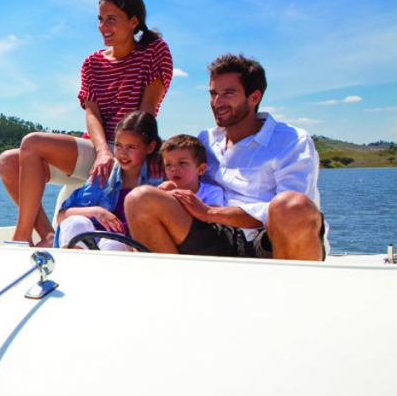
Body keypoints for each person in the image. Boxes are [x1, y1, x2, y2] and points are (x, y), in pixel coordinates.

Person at [0, 0, 173, 246]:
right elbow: (91, 113)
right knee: (8, 162)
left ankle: (20, 240)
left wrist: (124, 151)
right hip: (97, 148)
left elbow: (146, 112)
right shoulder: (92, 63)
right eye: (100, 19)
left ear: (133, 22)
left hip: (129, 147)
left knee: (32, 142)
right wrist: (102, 151)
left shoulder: (154, 51)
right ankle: (44, 235)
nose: (103, 26)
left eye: (111, 18)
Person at [125, 54, 325, 261]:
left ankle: (291, 289)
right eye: (213, 94)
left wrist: (211, 213)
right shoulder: (206, 139)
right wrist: (173, 191)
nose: (217, 102)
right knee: (140, 199)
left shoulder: (292, 141)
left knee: (292, 205)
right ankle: (175, 289)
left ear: (254, 97)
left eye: (228, 93)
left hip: (268, 240)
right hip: (217, 236)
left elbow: (292, 213)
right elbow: (195, 187)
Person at [55, 111, 163, 250]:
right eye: (118, 145)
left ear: (150, 147)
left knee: (112, 244)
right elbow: (62, 216)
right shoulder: (104, 173)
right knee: (75, 223)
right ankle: (73, 267)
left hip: (129, 248)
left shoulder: (159, 176)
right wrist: (97, 211)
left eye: (131, 147)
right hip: (93, 241)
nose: (122, 153)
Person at [158, 134, 224, 206]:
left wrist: (177, 196)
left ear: (201, 169)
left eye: (182, 163)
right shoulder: (163, 191)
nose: (173, 169)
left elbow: (212, 214)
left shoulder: (212, 192)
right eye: (168, 164)